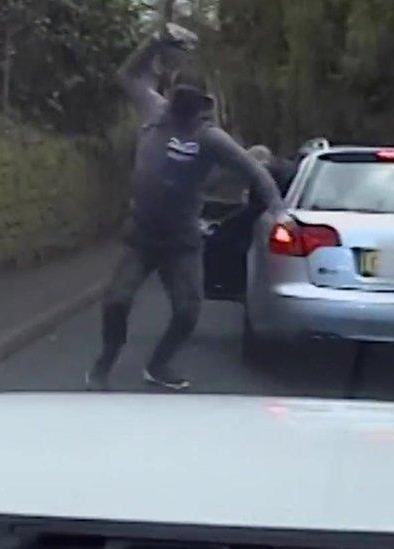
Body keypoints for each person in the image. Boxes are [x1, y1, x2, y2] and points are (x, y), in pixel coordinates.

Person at [85, 23, 286, 391]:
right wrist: (156, 42)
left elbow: (255, 170)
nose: (182, 108)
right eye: (180, 98)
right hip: (141, 236)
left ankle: (159, 365)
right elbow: (126, 74)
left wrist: (277, 208)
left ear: (202, 105)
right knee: (116, 302)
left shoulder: (210, 138)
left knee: (188, 311)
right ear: (171, 96)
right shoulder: (152, 111)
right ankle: (105, 362)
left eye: (191, 102)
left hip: (182, 241)